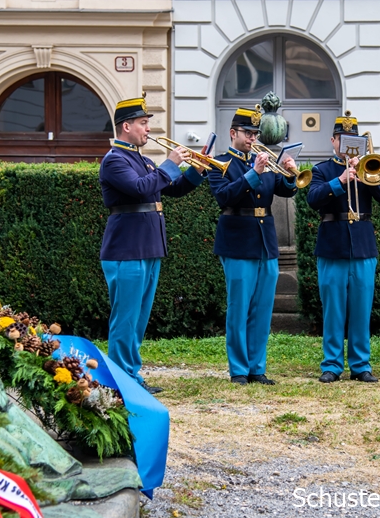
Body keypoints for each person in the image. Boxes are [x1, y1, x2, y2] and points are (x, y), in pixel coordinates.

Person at [99, 96, 205, 394]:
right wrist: (171, 163)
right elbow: (140, 188)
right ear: (126, 126)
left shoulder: (142, 160)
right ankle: (121, 381)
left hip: (147, 248)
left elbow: (173, 189)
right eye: (143, 123)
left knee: (138, 318)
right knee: (125, 319)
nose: (148, 129)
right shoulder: (115, 160)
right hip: (126, 250)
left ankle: (131, 375)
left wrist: (197, 170)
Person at [207, 107, 299, 386]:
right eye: (247, 133)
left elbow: (284, 190)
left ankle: (257, 367)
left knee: (262, 309)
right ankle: (238, 369)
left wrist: (290, 175)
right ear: (232, 133)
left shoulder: (266, 160)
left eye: (255, 133)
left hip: (265, 241)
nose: (252, 138)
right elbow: (224, 197)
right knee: (239, 308)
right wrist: (253, 174)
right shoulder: (220, 163)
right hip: (237, 242)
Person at [306, 112, 380, 384]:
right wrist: (341, 180)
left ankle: (360, 365)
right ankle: (332, 364)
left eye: (352, 141)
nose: (347, 145)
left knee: (361, 310)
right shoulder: (322, 170)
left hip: (363, 247)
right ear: (333, 141)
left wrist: (366, 173)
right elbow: (313, 199)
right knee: (333, 310)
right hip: (332, 246)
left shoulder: (369, 167)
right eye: (342, 140)